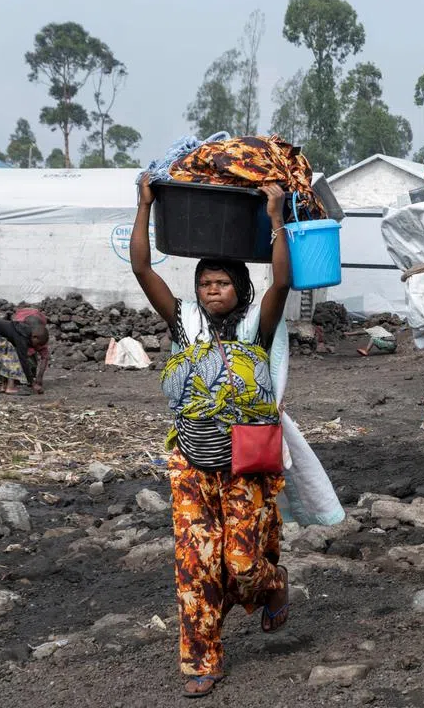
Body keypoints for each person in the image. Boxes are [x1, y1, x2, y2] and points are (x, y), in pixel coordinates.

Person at [132, 174, 292, 698]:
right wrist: (145, 205)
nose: (212, 290)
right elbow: (141, 267)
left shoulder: (256, 328)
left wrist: (274, 220)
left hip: (243, 460)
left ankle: (272, 585)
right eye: (205, 284)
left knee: (242, 563)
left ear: (239, 288)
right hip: (191, 460)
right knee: (196, 565)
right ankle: (203, 661)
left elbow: (282, 284)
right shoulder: (185, 325)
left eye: (221, 283)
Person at [0, 316, 49, 395]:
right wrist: (33, 383)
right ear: (35, 337)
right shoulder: (22, 336)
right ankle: (11, 387)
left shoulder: (20, 329)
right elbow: (23, 361)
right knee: (13, 357)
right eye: (38, 344)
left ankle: (4, 386)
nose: (36, 347)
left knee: (4, 358)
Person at [12, 307, 51, 393]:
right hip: (21, 326)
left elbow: (45, 356)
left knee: (32, 354)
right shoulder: (18, 326)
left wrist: (40, 376)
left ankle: (30, 375)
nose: (38, 347)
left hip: (35, 330)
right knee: (21, 355)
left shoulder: (41, 333)